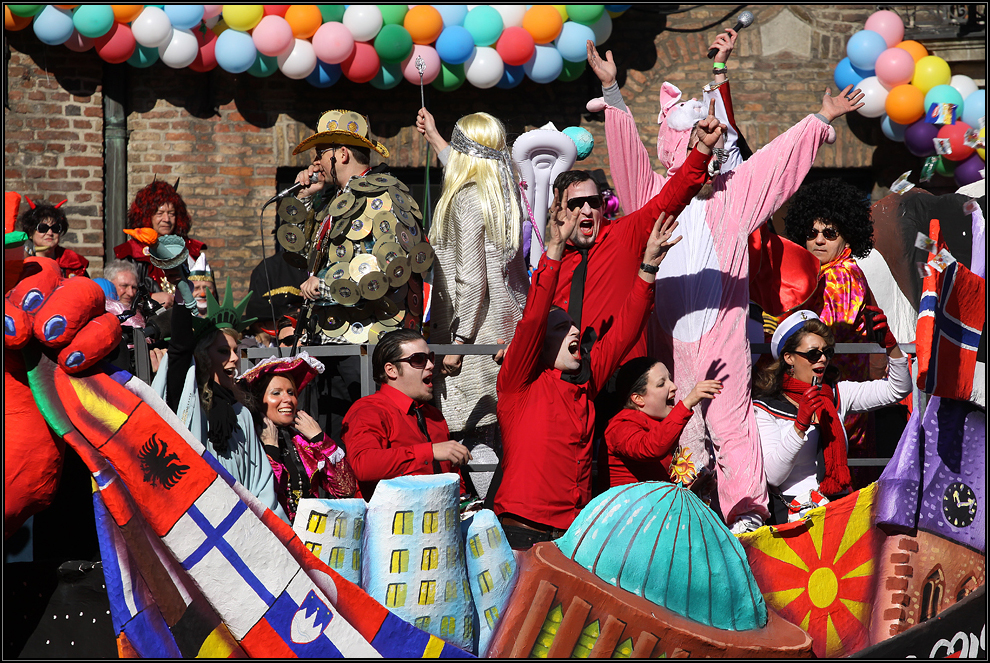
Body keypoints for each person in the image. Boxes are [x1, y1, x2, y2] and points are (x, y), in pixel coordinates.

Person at [588, 32, 865, 532]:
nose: (706, 145)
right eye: (694, 136)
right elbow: (627, 158)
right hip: (667, 346)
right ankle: (681, 520)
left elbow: (773, 166)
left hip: (722, 342)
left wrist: (819, 121)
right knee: (678, 433)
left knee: (733, 428)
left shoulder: (732, 198)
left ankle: (746, 517)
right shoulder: (653, 195)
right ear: (678, 141)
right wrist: (612, 95)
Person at [494, 187, 682, 550]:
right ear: (542, 347)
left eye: (574, 326)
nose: (576, 329)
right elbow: (533, 320)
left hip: (570, 537)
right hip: (521, 532)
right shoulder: (520, 383)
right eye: (563, 328)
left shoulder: (586, 383)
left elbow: (627, 327)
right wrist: (553, 251)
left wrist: (648, 267)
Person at [288, 109, 423, 440]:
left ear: (342, 153)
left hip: (367, 343)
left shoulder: (384, 193)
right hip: (332, 340)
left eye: (321, 153)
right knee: (333, 436)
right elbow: (304, 257)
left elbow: (387, 267)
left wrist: (326, 287)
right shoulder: (334, 200)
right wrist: (305, 199)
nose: (316, 162)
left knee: (366, 437)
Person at [416, 109, 529, 501]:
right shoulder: (504, 193)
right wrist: (435, 138)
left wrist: (458, 343)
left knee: (474, 430)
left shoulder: (466, 198)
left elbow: (469, 279)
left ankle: (491, 516)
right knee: (502, 431)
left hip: (474, 334)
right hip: (508, 326)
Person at [753, 309, 911, 524]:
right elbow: (773, 476)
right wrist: (799, 426)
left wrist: (891, 347)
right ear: (789, 358)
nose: (822, 359)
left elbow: (898, 389)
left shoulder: (837, 394)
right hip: (793, 517)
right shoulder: (765, 407)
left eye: (826, 352)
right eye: (812, 354)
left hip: (838, 509)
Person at [151, 277, 287, 521]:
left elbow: (260, 483)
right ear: (203, 356)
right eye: (224, 351)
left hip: (241, 525)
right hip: (198, 519)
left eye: (236, 351)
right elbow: (180, 350)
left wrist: (274, 530)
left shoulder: (242, 413)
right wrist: (182, 294)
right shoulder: (190, 403)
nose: (234, 359)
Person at [782, 177, 880, 486]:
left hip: (838, 399)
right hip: (834, 397)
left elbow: (820, 335)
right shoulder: (822, 273)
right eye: (812, 234)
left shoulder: (840, 276)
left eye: (829, 233)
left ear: (846, 237)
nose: (819, 241)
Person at [341, 329, 472, 500]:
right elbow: (364, 465)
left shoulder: (434, 415)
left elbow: (452, 474)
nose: (431, 365)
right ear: (391, 370)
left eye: (430, 358)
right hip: (391, 522)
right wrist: (429, 451)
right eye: (418, 360)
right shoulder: (368, 409)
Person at [239, 352, 357, 522]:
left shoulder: (302, 442)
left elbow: (345, 489)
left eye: (291, 392)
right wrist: (271, 450)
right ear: (258, 400)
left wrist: (320, 440)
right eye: (276, 393)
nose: (287, 399)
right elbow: (260, 499)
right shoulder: (248, 440)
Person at [600, 357, 722, 489]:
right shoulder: (620, 426)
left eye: (670, 379)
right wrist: (686, 404)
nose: (674, 387)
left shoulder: (655, 424)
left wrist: (693, 489)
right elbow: (651, 447)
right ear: (638, 398)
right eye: (661, 384)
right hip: (629, 508)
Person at [114, 179, 206, 310]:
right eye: (160, 213)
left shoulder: (190, 251)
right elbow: (119, 295)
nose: (166, 219)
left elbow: (206, 293)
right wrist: (150, 298)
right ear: (147, 215)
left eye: (171, 214)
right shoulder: (132, 253)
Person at [18, 197, 89, 278]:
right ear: (30, 232)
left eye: (55, 228)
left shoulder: (73, 264)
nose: (50, 233)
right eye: (43, 228)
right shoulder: (20, 263)